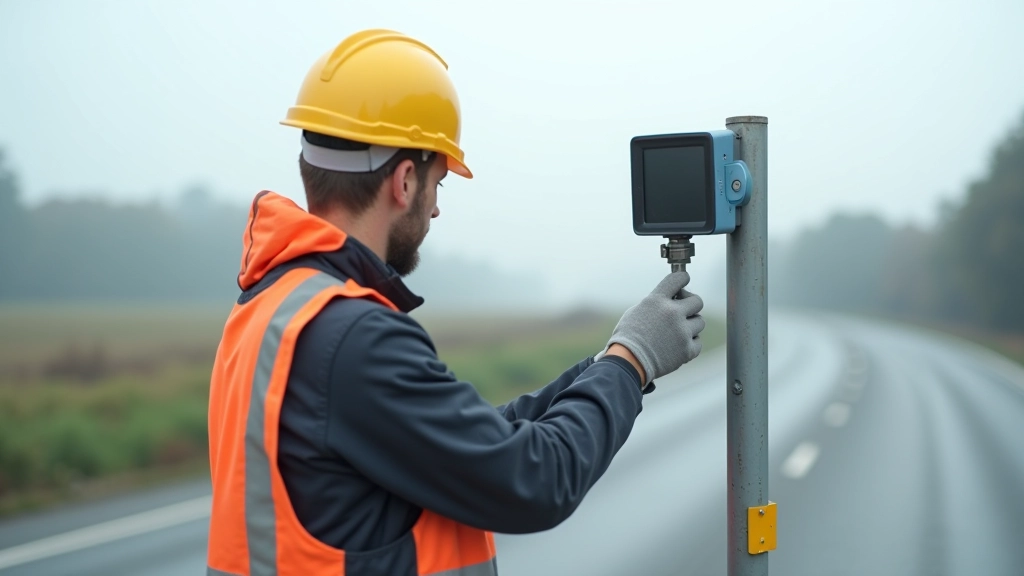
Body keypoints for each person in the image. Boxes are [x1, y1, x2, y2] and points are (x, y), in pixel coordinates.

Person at [205, 28, 706, 576]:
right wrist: (632, 362)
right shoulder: (352, 335)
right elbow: (536, 479)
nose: (436, 210)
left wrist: (604, 363)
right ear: (403, 181)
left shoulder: (270, 305)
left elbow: (462, 442)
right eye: (438, 183)